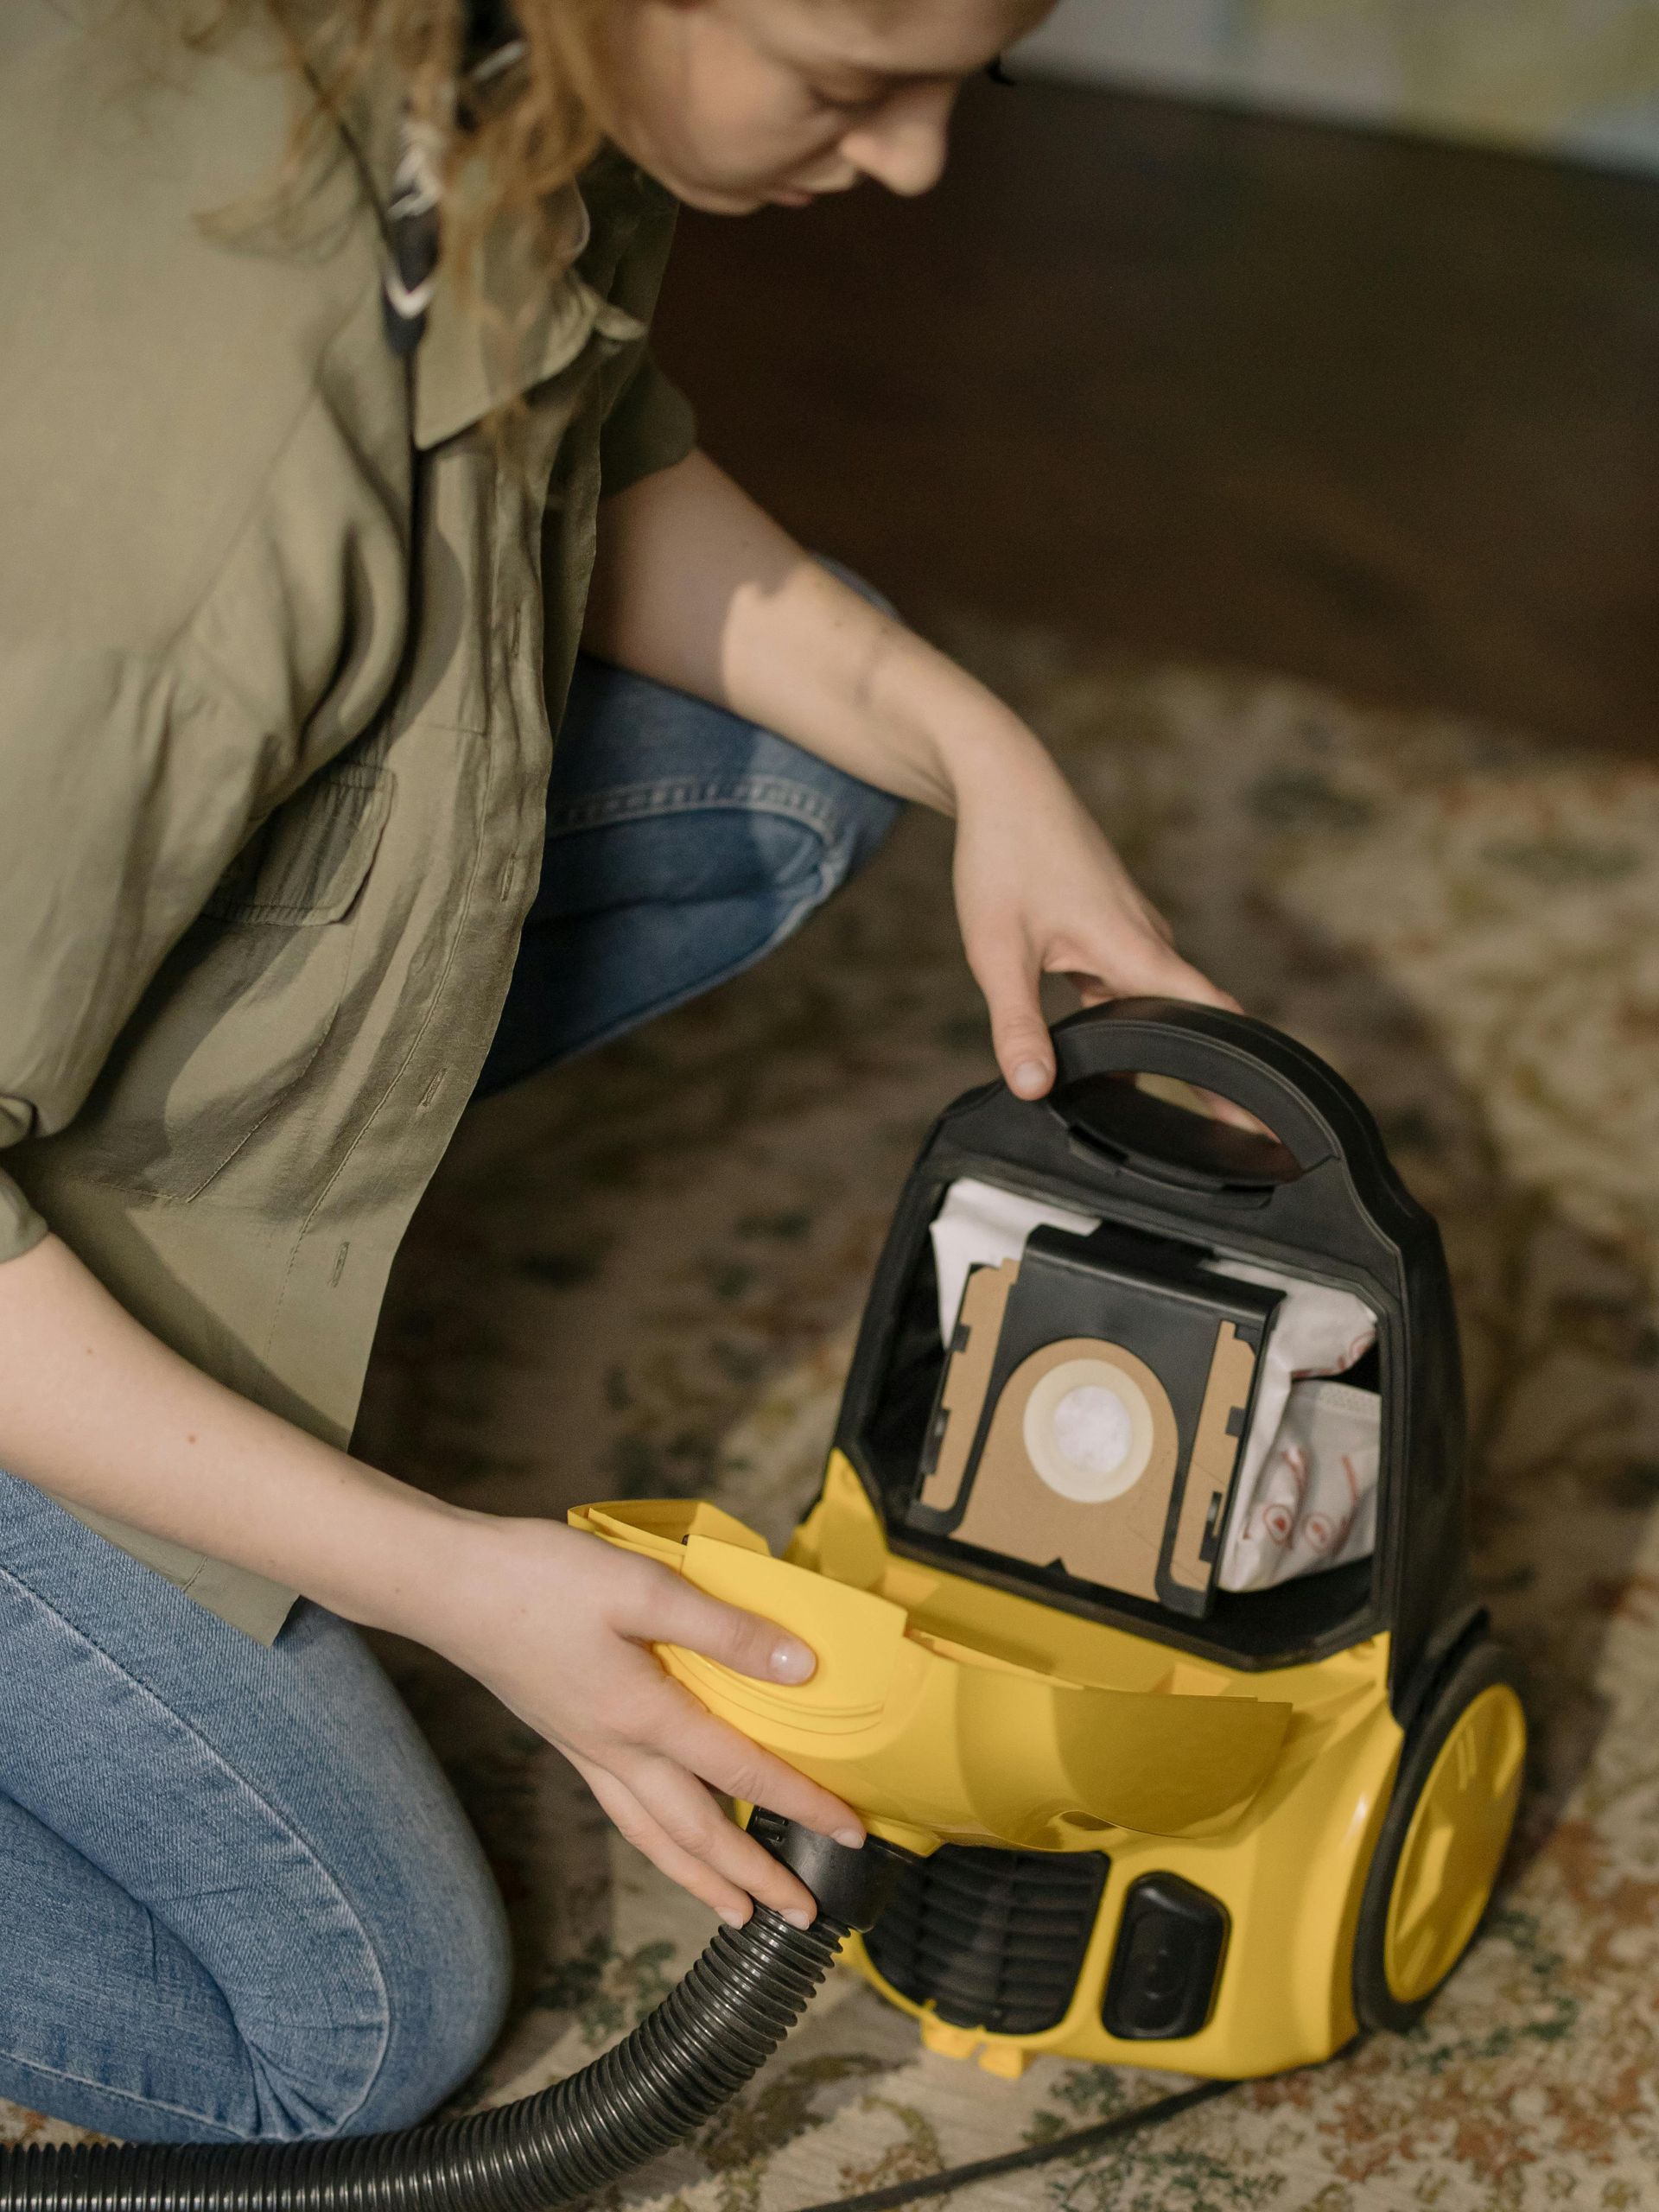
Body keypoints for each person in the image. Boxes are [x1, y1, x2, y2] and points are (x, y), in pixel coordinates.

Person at [0, 0, 1235, 2145]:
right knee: (352, 2021)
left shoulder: (478, 82)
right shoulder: (196, 464)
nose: (927, 169)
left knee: (800, 767)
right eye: (857, 84)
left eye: (985, 79)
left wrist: (986, 756)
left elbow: (586, 462)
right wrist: (455, 1575)